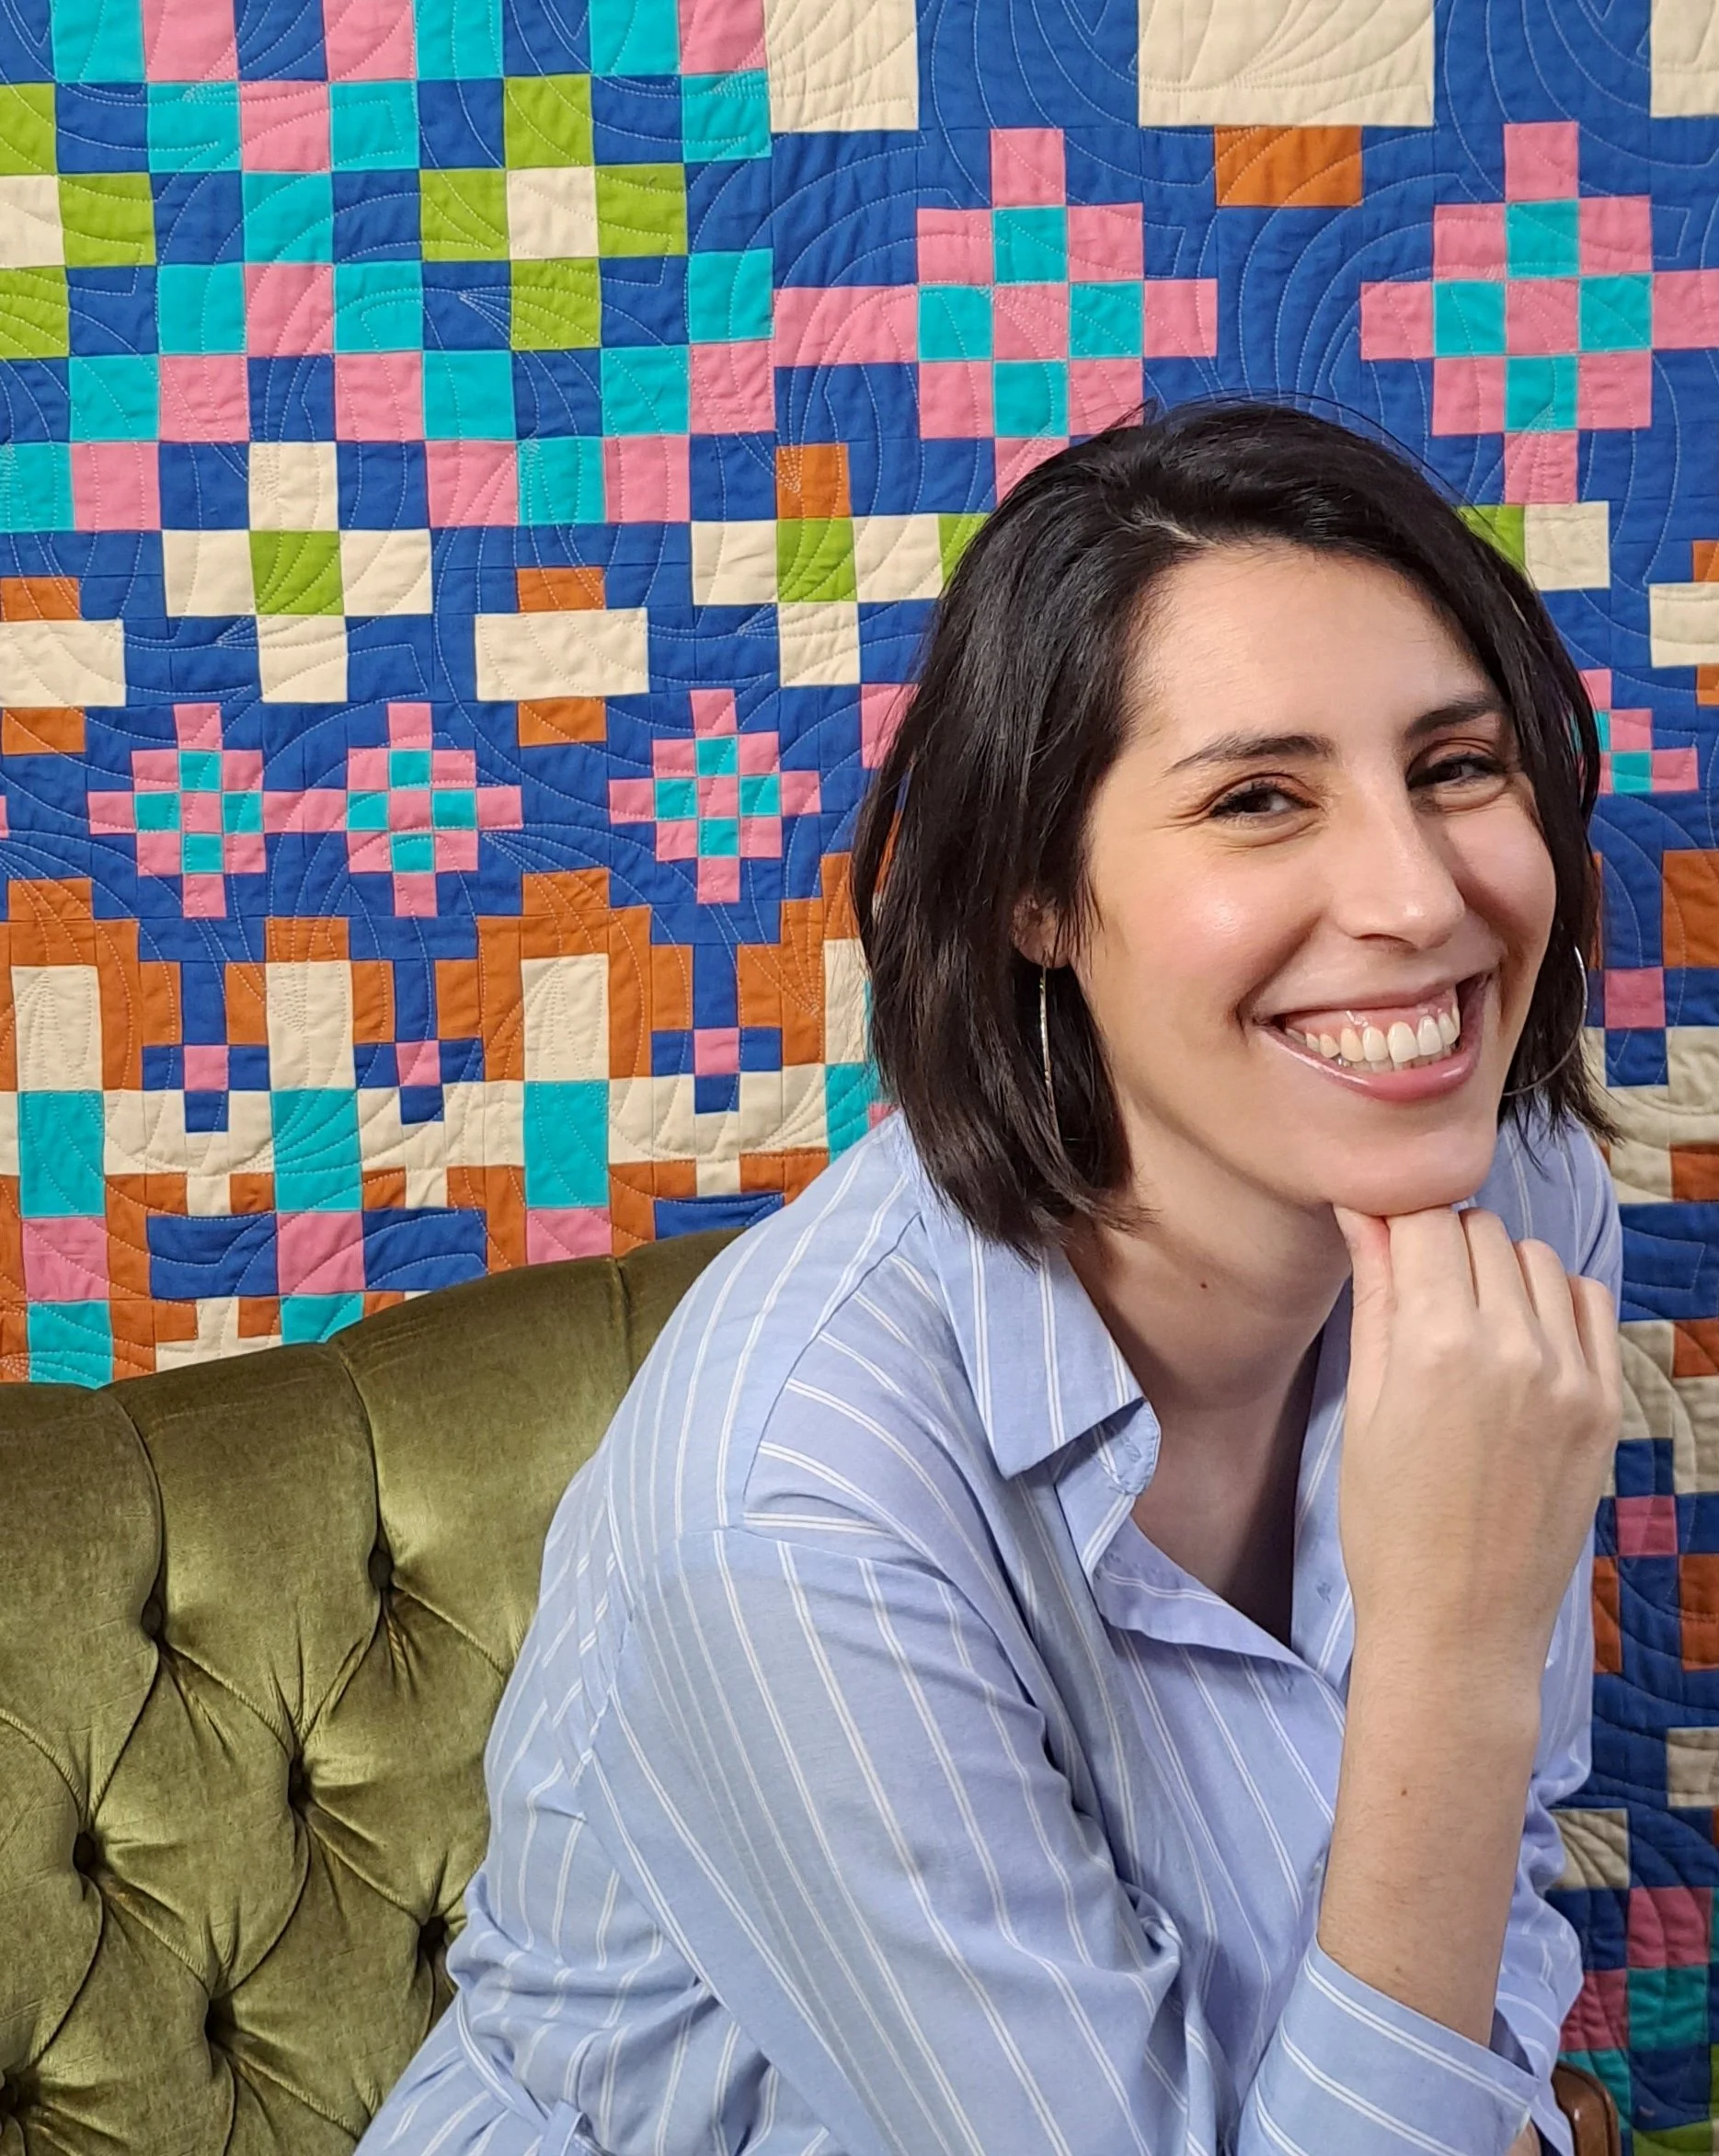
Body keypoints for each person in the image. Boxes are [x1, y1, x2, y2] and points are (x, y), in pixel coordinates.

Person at [360, 399, 1625, 2156]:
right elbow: (1465, 1775)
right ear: (1035, 893)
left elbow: (1500, 1873)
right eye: (1258, 799)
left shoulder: (1521, 1194)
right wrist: (1453, 1658)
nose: (1415, 897)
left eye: (1456, 766)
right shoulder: (789, 1514)